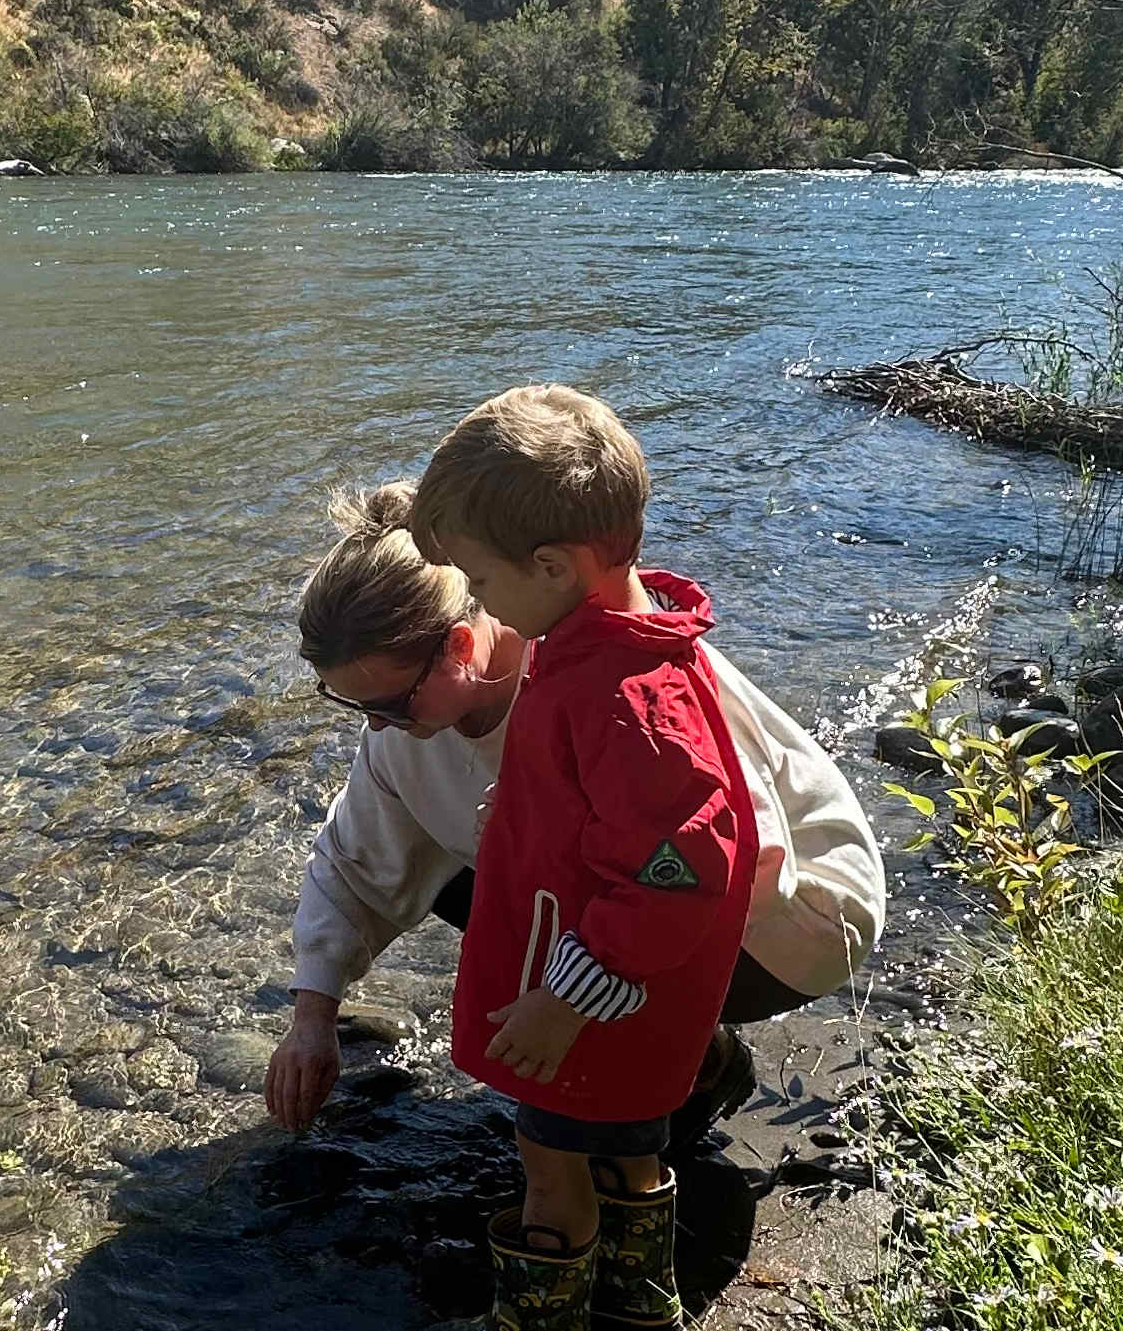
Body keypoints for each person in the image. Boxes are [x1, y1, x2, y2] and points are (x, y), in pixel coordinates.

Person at [268, 486, 886, 1167]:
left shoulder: (608, 676)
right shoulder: (408, 727)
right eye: (351, 706)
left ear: (459, 647)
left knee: (526, 880)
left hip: (792, 927)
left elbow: (728, 863)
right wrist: (312, 1020)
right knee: (445, 867)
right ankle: (667, 1061)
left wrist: (565, 990)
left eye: (385, 702)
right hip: (655, 906)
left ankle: (673, 1075)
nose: (377, 725)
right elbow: (352, 863)